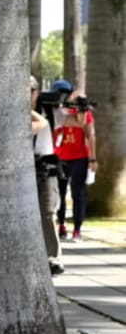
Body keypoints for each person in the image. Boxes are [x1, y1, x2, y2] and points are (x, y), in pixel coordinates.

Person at [53, 81, 97, 242]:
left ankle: (77, 229)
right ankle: (61, 225)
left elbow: (90, 134)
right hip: (60, 156)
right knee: (60, 193)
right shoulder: (58, 111)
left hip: (79, 157)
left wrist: (93, 158)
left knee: (78, 193)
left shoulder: (84, 113)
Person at [30, 77, 63, 275]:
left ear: (37, 92)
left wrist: (81, 104)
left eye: (31, 90)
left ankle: (53, 257)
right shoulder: (17, 113)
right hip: (25, 166)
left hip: (47, 166)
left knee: (47, 213)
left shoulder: (49, 112)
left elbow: (77, 121)